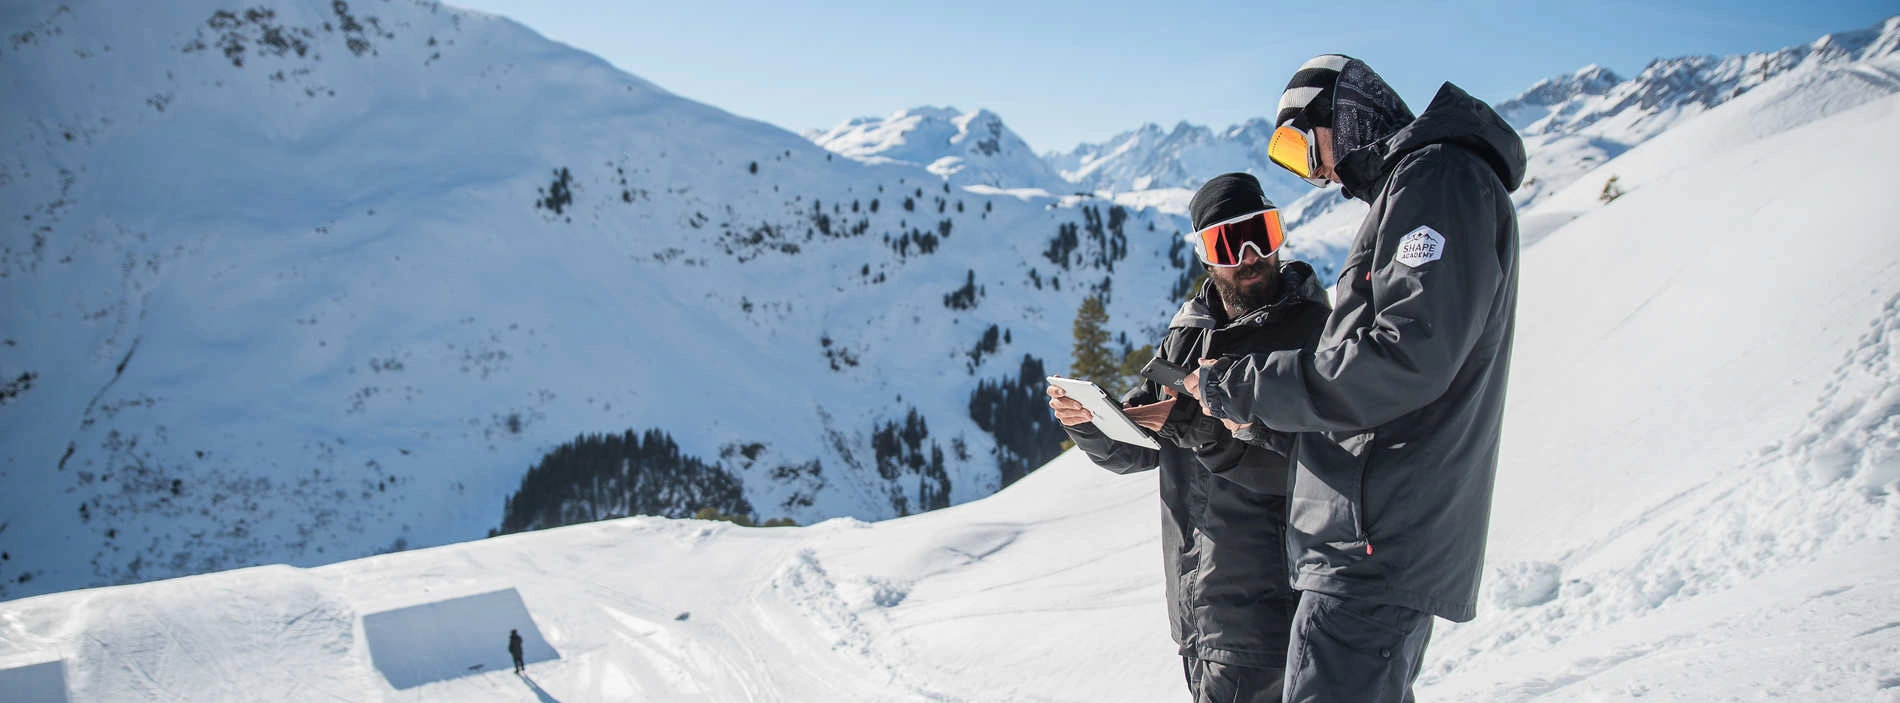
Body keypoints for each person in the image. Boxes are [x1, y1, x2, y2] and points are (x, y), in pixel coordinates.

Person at [1188, 54, 1526, 702]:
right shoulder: (1422, 185)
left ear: (1341, 112)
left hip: (1373, 539)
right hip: (1367, 537)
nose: (1319, 174)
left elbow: (1404, 357)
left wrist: (1248, 384)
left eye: (1302, 147)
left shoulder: (1438, 181)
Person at [1046, 173, 1332, 703]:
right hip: (1199, 607)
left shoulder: (1313, 335)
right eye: (1229, 242)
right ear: (1206, 256)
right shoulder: (1188, 334)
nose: (1250, 256)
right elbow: (1144, 444)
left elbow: (1320, 459)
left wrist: (1203, 430)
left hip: (1274, 607)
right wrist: (1091, 422)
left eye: (1261, 235)